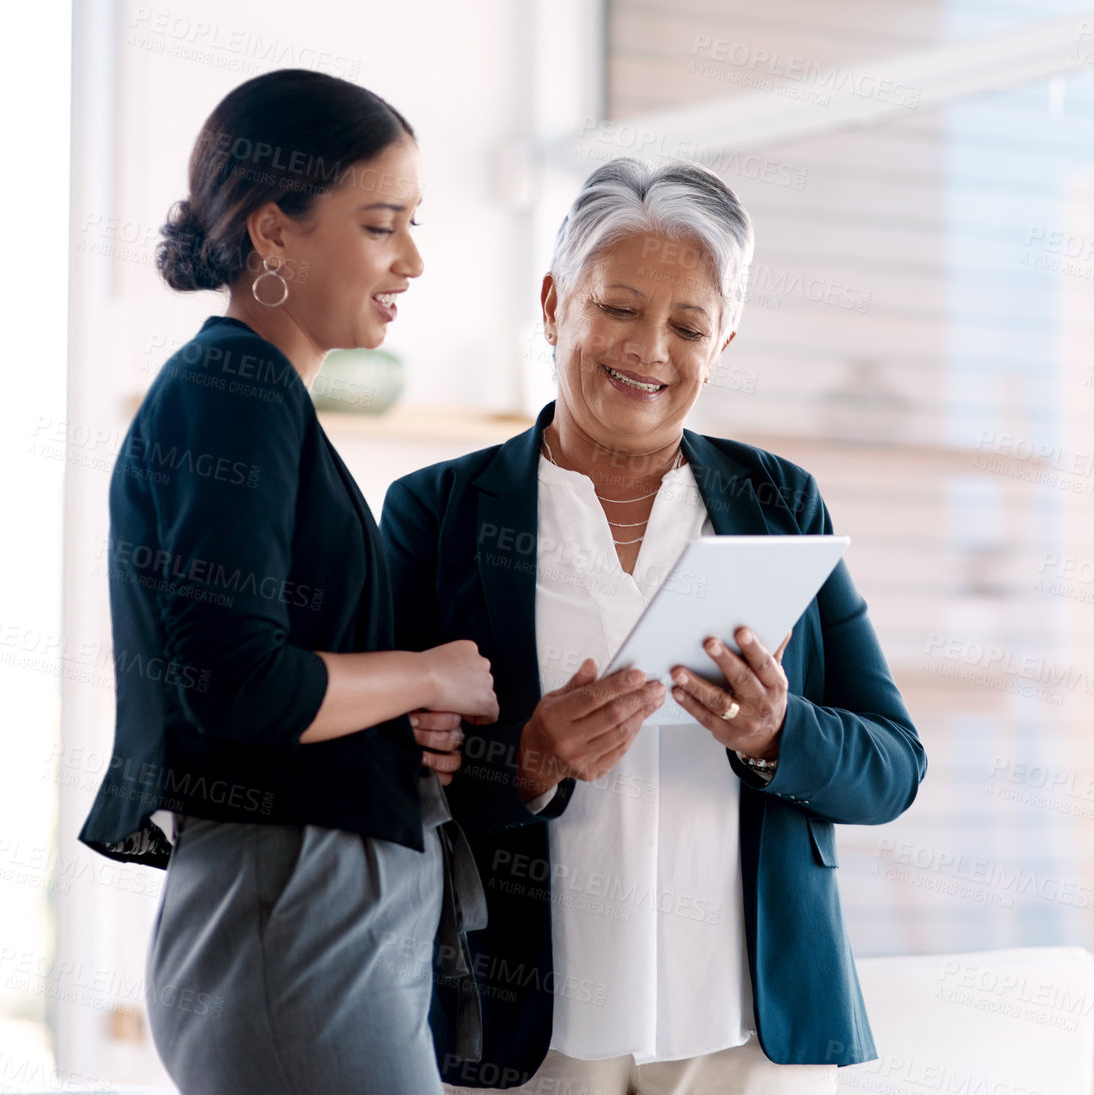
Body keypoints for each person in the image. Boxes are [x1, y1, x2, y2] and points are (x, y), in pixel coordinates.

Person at [382, 157, 927, 1094]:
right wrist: (527, 759)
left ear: (723, 342)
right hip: (532, 1033)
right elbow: (378, 774)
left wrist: (775, 735)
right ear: (555, 304)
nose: (651, 351)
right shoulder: (439, 513)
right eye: (619, 308)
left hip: (749, 1035)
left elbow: (892, 765)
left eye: (689, 325)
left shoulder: (777, 500)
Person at [77, 68, 497, 1095]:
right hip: (298, 914)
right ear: (275, 233)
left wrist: (403, 710)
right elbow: (244, 686)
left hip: (314, 912)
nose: (413, 260)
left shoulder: (256, 396)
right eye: (381, 224)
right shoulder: (233, 394)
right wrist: (428, 675)